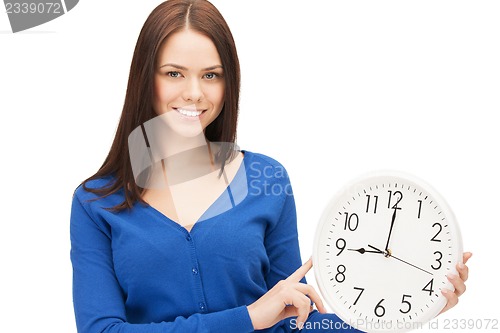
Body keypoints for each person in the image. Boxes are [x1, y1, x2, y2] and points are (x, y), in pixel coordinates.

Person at [69, 0, 472, 332]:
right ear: (146, 78)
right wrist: (246, 319)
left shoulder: (266, 179)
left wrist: (413, 312)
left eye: (211, 75)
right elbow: (101, 331)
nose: (194, 93)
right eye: (175, 73)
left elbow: (296, 318)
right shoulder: (95, 203)